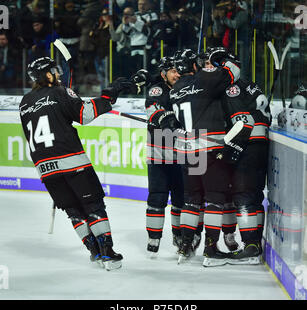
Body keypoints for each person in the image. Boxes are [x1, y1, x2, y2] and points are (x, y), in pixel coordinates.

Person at [18, 56, 141, 270]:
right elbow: (85, 114)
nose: (58, 73)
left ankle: (94, 250)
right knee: (93, 205)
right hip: (72, 162)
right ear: (47, 75)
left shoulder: (24, 102)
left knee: (73, 211)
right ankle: (107, 253)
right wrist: (109, 94)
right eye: (54, 70)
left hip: (46, 169)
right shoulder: (59, 91)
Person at [170, 47, 240, 266]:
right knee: (215, 198)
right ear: (194, 65)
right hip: (209, 149)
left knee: (191, 200)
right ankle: (210, 250)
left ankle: (185, 247)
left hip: (186, 150)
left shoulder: (175, 88)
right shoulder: (206, 79)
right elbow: (234, 71)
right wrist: (224, 58)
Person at [199, 51, 270, 263]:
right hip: (261, 144)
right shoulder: (251, 84)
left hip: (248, 143)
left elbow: (242, 120)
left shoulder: (231, 88)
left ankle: (250, 247)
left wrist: (233, 148)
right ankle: (255, 243)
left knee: (243, 195)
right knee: (255, 196)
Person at [143, 56, 184, 256]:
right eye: (173, 71)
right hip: (159, 150)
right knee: (158, 195)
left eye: (179, 70)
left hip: (184, 152)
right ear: (163, 73)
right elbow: (153, 110)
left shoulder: (187, 87)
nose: (177, 74)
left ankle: (179, 235)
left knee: (180, 198)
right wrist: (164, 118)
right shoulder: (157, 89)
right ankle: (154, 237)